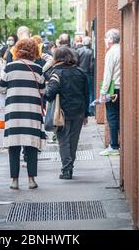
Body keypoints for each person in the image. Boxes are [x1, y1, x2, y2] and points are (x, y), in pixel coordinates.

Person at [0, 38, 46, 190]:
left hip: (14, 112)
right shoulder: (38, 68)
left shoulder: (9, 67)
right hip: (32, 112)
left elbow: (1, 89)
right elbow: (43, 90)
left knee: (14, 146)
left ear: (17, 50)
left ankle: (14, 181)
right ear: (34, 52)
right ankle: (31, 180)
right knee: (31, 145)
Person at [44, 46, 89, 180]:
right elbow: (86, 94)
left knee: (63, 140)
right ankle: (70, 167)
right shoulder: (80, 72)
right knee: (73, 140)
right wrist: (86, 114)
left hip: (62, 112)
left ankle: (66, 170)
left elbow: (49, 94)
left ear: (57, 58)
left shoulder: (56, 72)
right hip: (79, 111)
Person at [99, 29, 121, 157]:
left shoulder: (111, 53)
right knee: (119, 116)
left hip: (113, 88)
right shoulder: (123, 49)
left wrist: (103, 92)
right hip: (123, 87)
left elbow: (108, 75)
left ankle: (114, 146)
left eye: (106, 38)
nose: (105, 41)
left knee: (112, 116)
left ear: (111, 40)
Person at [77, 36, 95, 115]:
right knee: (90, 92)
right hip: (87, 74)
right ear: (90, 43)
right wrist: (91, 74)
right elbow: (91, 65)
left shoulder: (78, 51)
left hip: (79, 73)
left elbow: (76, 62)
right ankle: (90, 110)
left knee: (80, 91)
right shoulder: (91, 52)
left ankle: (80, 109)